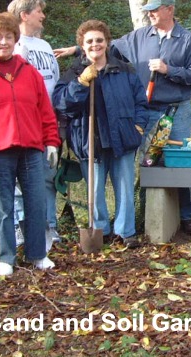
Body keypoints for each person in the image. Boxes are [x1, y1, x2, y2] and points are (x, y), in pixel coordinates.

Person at [54, 0, 191, 236]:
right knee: (146, 164)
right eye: (149, 10)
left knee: (177, 162)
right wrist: (76, 49)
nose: (150, 13)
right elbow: (103, 44)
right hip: (145, 110)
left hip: (176, 110)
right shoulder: (138, 36)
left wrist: (169, 69)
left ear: (170, 9)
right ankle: (144, 214)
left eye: (155, 9)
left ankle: (185, 215)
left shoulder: (187, 40)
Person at [0, 12, 60, 276]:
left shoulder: (29, 73)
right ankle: (6, 257)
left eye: (8, 37)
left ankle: (38, 254)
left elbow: (45, 113)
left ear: (16, 39)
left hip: (30, 150)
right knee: (4, 206)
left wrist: (51, 142)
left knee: (36, 203)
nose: (3, 42)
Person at [52, 20, 148, 248]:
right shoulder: (74, 72)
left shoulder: (124, 70)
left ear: (107, 42)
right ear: (82, 46)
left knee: (124, 186)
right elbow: (62, 105)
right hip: (89, 139)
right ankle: (101, 230)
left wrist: (139, 127)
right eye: (90, 41)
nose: (95, 45)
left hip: (122, 137)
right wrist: (81, 83)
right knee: (94, 190)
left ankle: (126, 231)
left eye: (99, 40)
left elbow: (141, 102)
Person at [7, 0, 61, 246]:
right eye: (39, 11)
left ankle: (49, 225)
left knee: (48, 176)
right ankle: (20, 226)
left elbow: (55, 80)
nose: (43, 15)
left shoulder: (45, 46)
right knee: (21, 178)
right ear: (24, 15)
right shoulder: (16, 48)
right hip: (26, 124)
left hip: (50, 122)